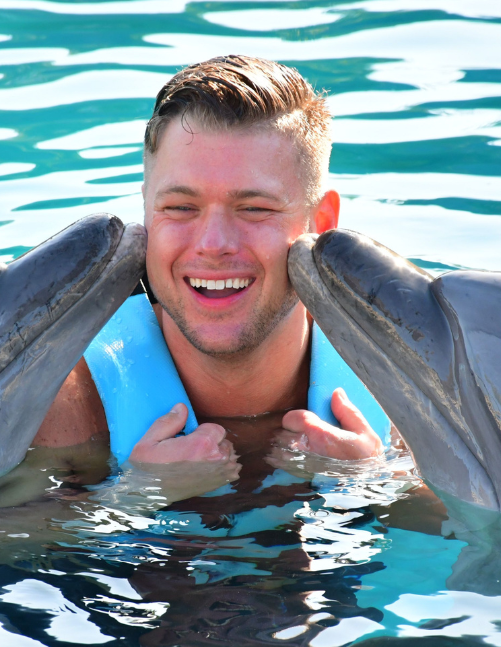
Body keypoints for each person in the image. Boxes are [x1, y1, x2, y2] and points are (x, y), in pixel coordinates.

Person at [33, 55, 383, 465]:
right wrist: (139, 499)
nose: (214, 244)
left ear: (320, 222)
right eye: (181, 207)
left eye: (254, 208)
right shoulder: (66, 396)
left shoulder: (398, 387)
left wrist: (376, 486)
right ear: (147, 208)